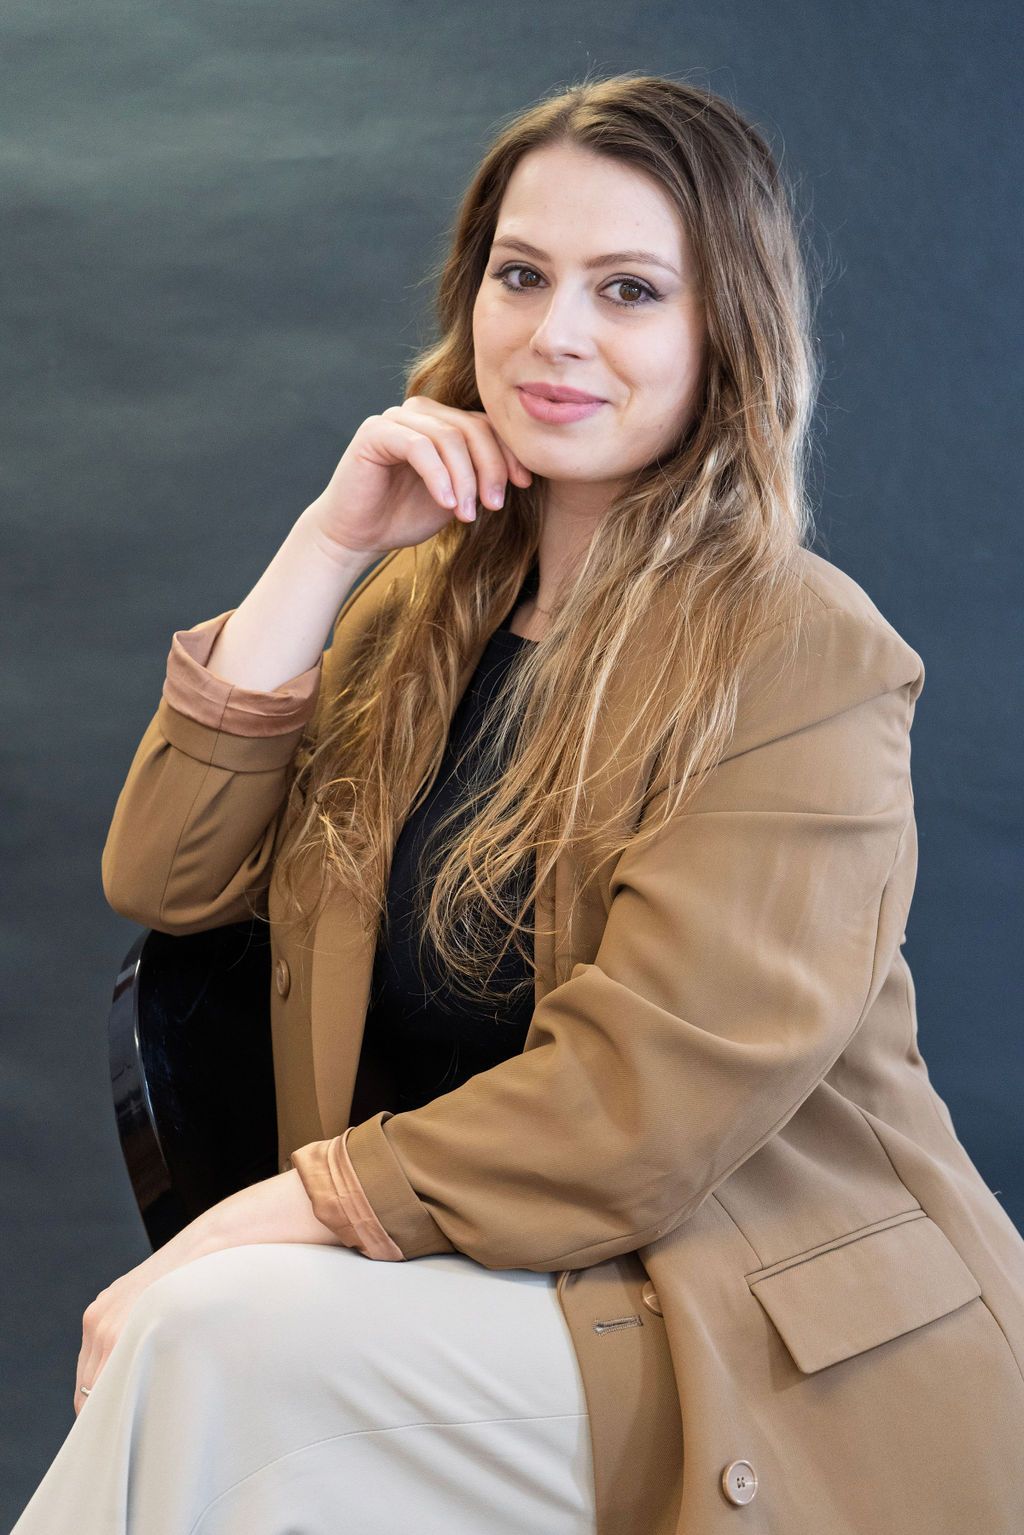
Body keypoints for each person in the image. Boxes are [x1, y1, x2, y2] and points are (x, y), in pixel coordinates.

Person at [12, 70, 1024, 1535]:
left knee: (209, 1342)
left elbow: (637, 1116)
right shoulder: (420, 617)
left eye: (628, 290)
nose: (556, 335)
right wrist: (326, 546)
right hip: (489, 1292)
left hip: (727, 1324)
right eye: (522, 276)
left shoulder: (805, 654)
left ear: (721, 335)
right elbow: (167, 880)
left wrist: (254, 1225)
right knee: (217, 1355)